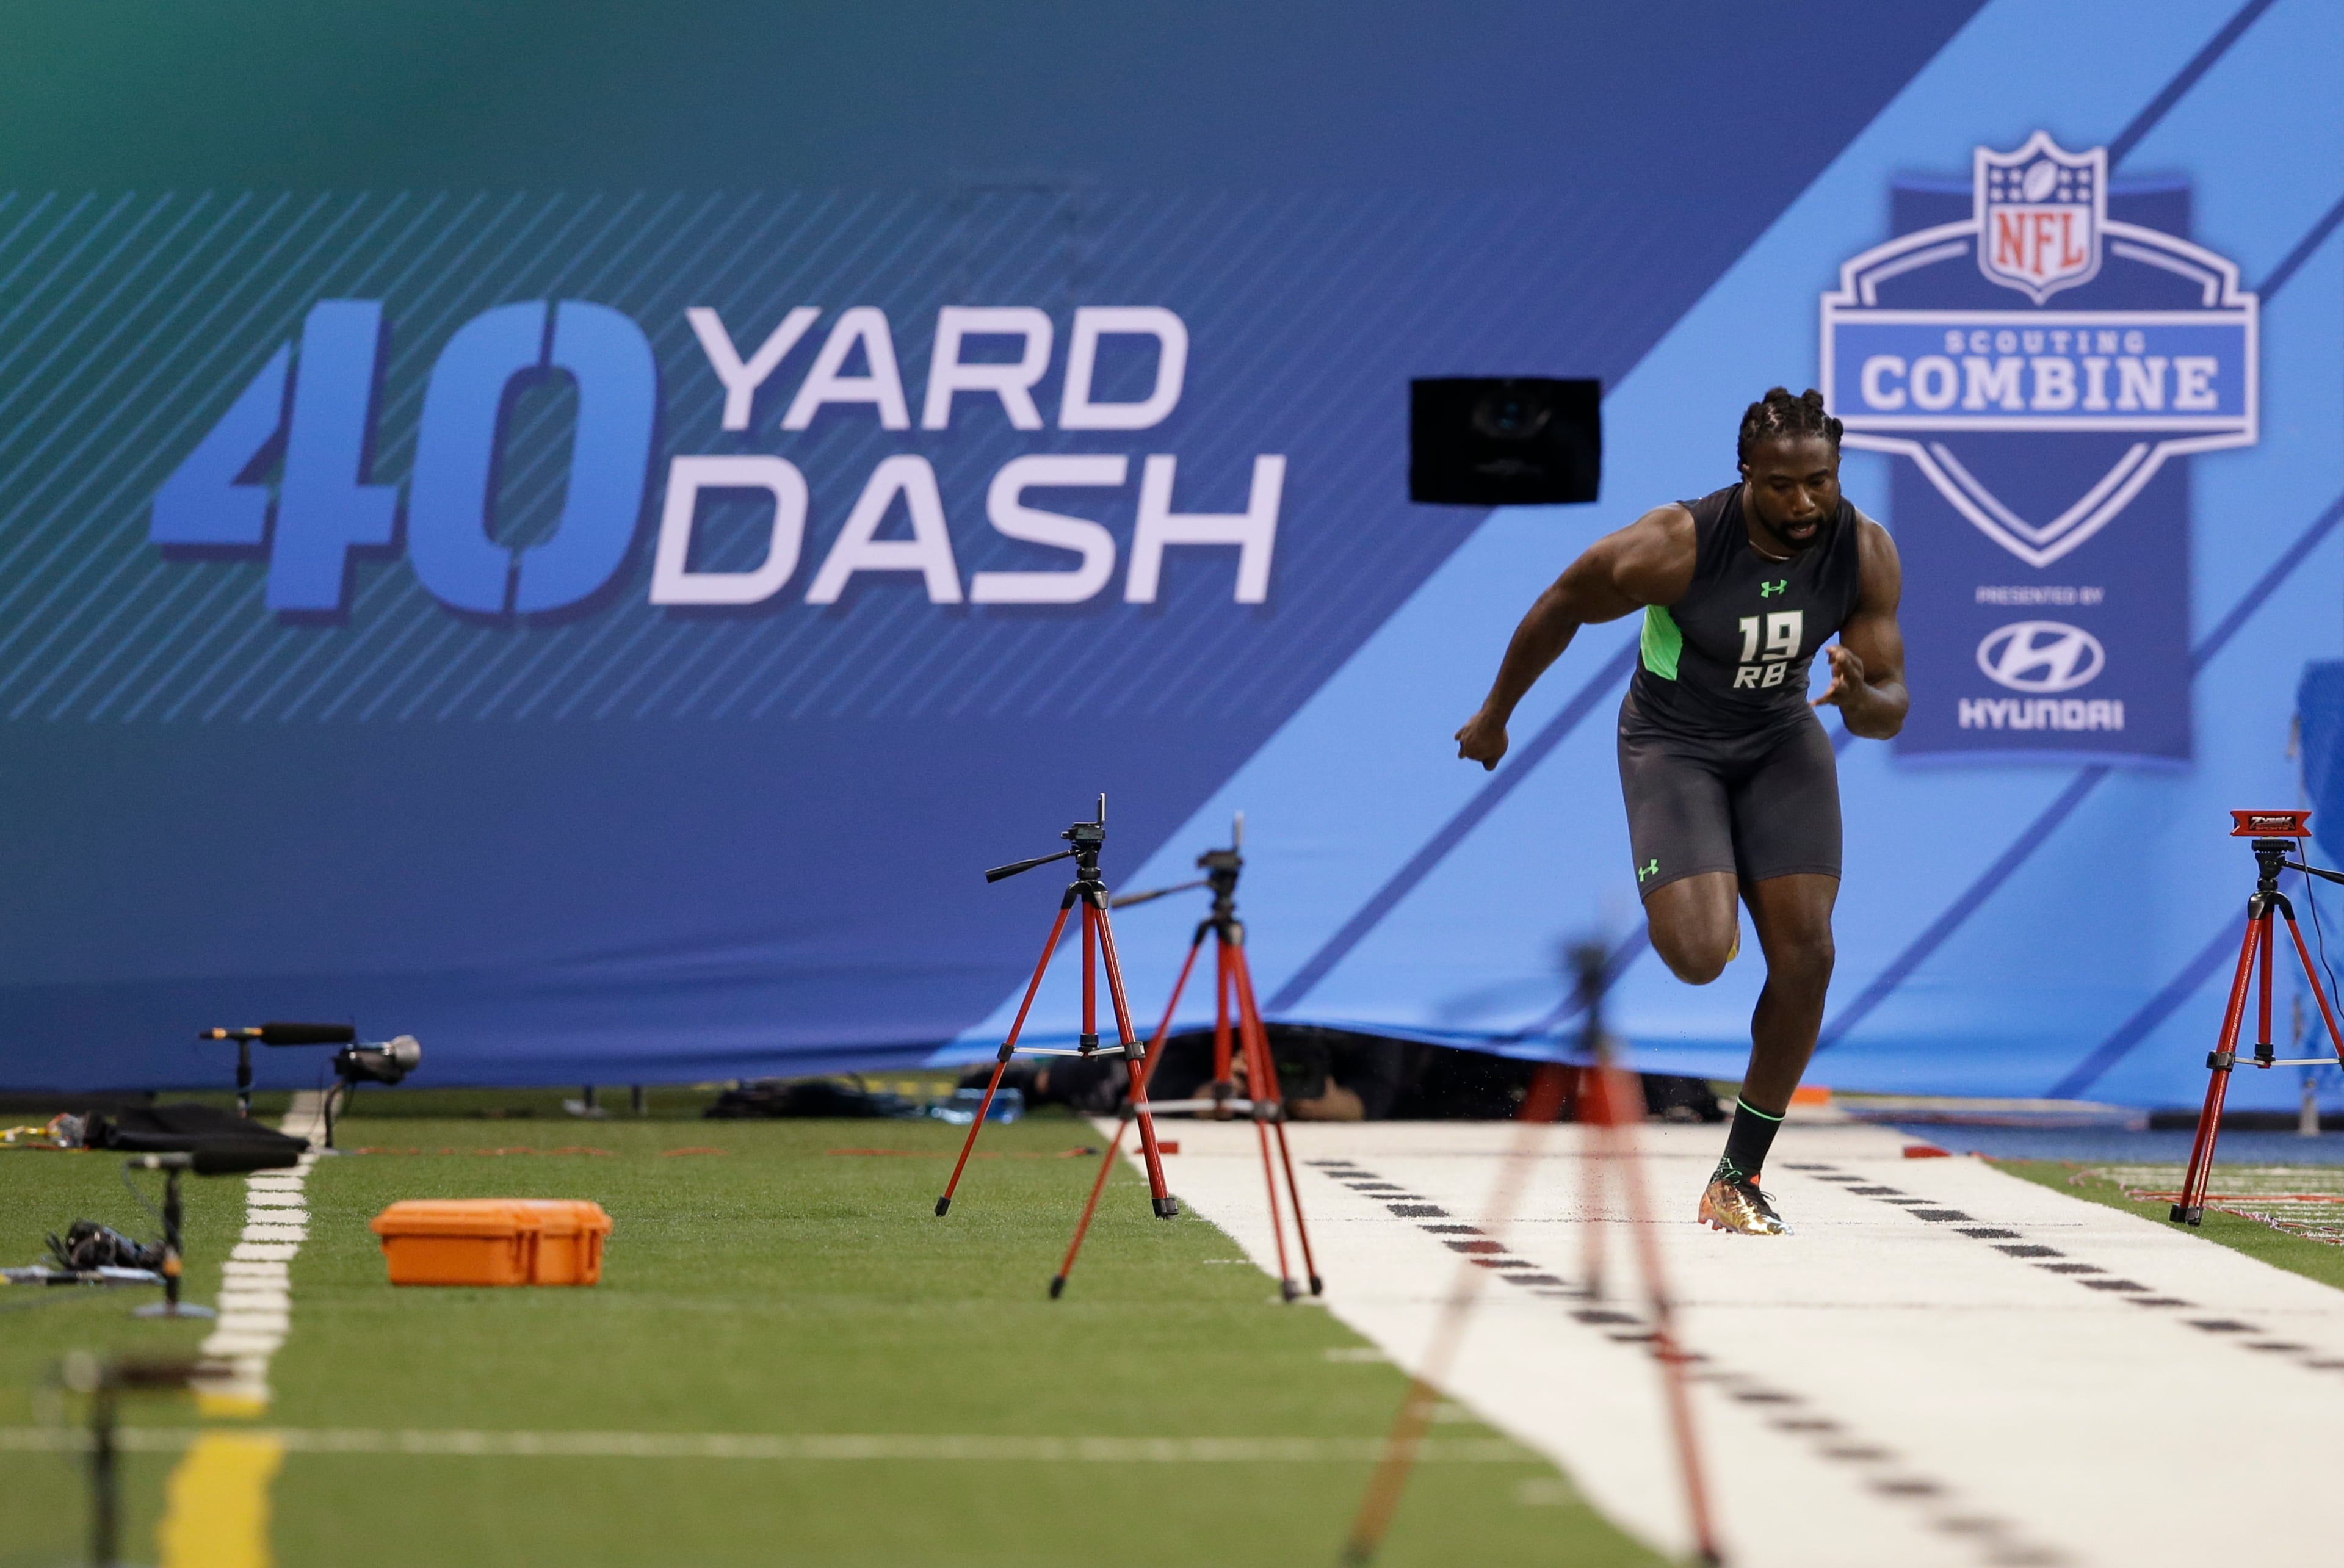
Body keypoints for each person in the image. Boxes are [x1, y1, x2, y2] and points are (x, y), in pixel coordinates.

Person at [1453, 387, 1908, 1235]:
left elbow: (1894, 707)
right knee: (1700, 956)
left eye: (1820, 481)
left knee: (1808, 953)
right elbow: (1562, 601)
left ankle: (1736, 1176)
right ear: (1745, 477)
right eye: (1780, 485)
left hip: (1782, 739)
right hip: (1675, 742)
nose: (1803, 502)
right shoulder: (1677, 544)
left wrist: (1859, 698)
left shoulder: (1864, 551)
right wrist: (1495, 715)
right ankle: (1718, 881)